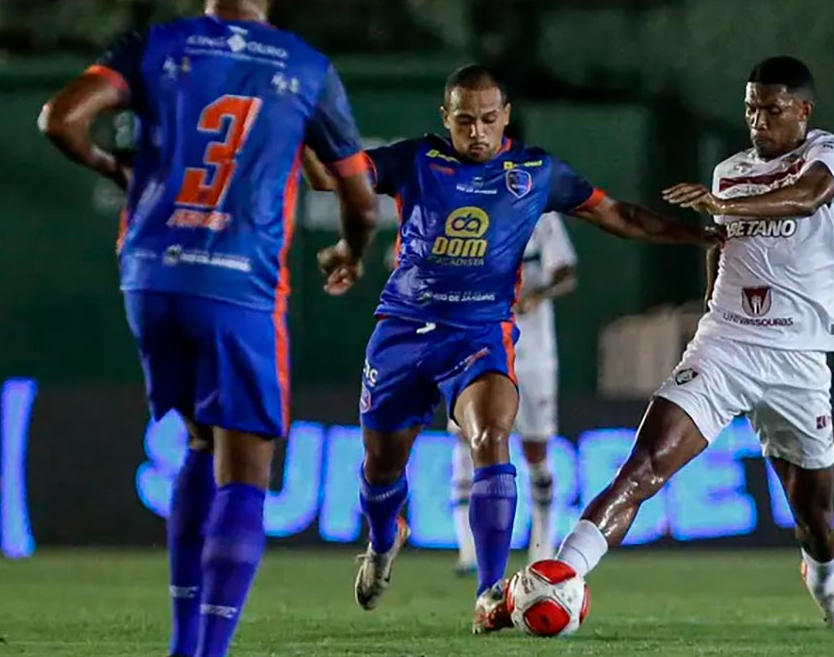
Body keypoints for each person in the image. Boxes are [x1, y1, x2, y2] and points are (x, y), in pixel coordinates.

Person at [307, 62, 720, 633]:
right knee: (382, 468)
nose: (477, 132)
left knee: (492, 435)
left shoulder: (535, 172)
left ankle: (489, 593)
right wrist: (304, 128)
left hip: (480, 335)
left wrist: (696, 233)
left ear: (506, 116)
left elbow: (616, 214)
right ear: (445, 119)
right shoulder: (416, 160)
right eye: (465, 121)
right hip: (403, 331)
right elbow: (332, 178)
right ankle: (383, 539)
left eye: (488, 119)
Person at [37, 0, 379, 656]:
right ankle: (208, 650)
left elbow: (59, 119)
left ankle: (182, 644)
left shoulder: (155, 46)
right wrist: (351, 249)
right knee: (246, 468)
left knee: (200, 440)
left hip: (152, 274)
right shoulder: (305, 66)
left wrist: (114, 167)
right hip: (238, 282)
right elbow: (357, 194)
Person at [511, 55, 834, 631]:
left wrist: (723, 206)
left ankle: (822, 579)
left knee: (816, 519)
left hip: (799, 358)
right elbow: (718, 246)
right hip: (725, 343)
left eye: (772, 110)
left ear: (803, 110)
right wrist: (710, 297)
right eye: (751, 109)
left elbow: (807, 197)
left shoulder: (829, 155)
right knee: (644, 465)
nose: (759, 122)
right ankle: (561, 574)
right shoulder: (729, 170)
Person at [448, 212, 578, 575]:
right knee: (465, 437)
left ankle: (541, 544)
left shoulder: (541, 213)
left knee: (535, 449)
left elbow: (566, 271)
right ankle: (467, 550)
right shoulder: (465, 208)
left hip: (532, 352)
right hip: (477, 344)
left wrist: (539, 293)